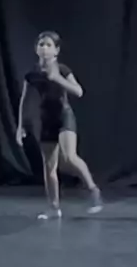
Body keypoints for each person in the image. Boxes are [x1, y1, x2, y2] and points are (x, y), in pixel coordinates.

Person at [16, 31, 102, 218]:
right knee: (49, 166)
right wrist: (20, 126)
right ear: (36, 49)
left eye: (49, 45)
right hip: (46, 119)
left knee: (69, 156)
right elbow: (24, 100)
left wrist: (57, 78)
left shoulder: (62, 70)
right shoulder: (32, 74)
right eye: (41, 44)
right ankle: (54, 207)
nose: (44, 48)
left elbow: (78, 91)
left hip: (64, 116)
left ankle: (93, 189)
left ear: (56, 50)